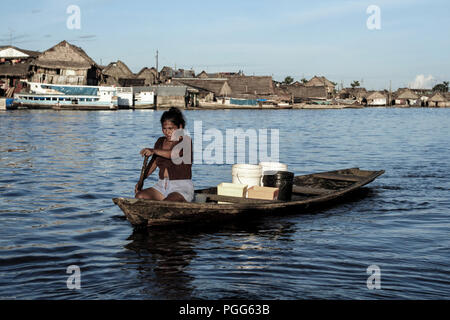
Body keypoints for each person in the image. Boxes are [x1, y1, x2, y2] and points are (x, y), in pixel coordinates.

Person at [135, 107, 194, 202]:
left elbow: (173, 154)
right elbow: (153, 164)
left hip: (181, 187)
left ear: (180, 127)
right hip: (161, 185)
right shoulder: (160, 141)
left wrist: (154, 151)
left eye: (171, 129)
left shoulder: (186, 141)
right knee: (140, 196)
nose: (167, 132)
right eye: (164, 129)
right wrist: (141, 181)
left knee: (168, 202)